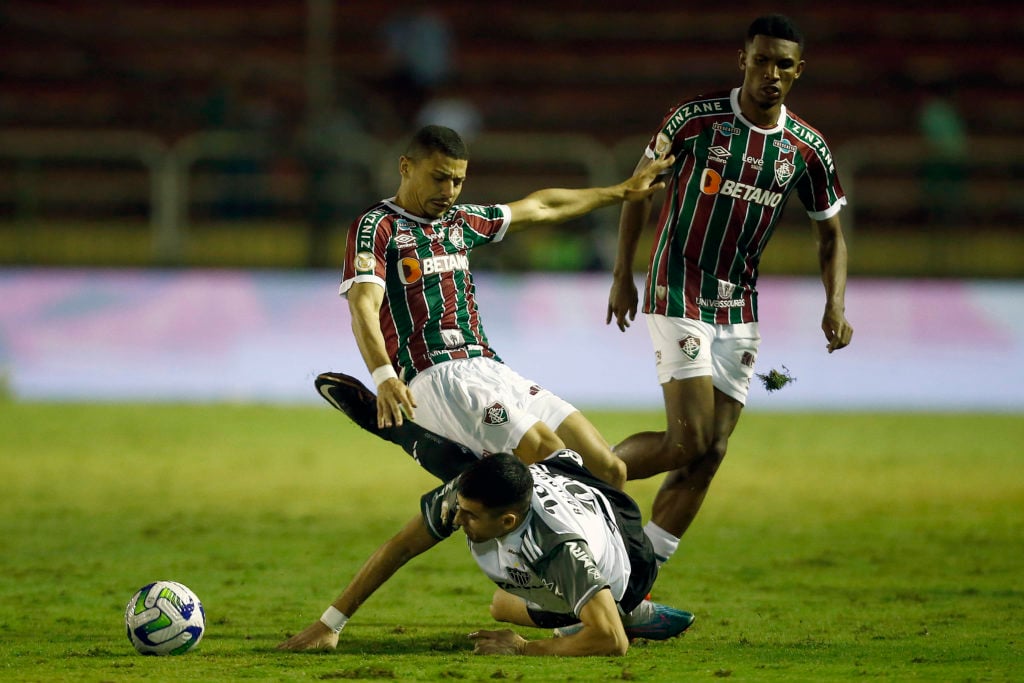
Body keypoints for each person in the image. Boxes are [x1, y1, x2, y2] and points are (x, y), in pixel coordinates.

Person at [605, 15, 854, 566]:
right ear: (743, 60)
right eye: (761, 60)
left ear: (798, 72)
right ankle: (579, 474)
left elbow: (831, 236)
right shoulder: (696, 119)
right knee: (687, 440)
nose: (771, 73)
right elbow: (638, 190)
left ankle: (636, 574)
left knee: (711, 450)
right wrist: (624, 274)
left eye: (783, 65)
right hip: (678, 286)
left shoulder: (806, 149)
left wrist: (834, 303)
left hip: (739, 304)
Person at [340, 124, 673, 489]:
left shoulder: (460, 222)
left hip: (489, 366)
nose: (448, 191)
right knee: (551, 458)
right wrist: (384, 377)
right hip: (435, 372)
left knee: (608, 469)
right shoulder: (378, 227)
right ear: (405, 167)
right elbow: (363, 308)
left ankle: (478, 494)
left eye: (458, 181)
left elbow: (542, 207)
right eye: (439, 178)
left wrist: (622, 191)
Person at [277, 450, 694, 656]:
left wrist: (524, 647)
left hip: (627, 559)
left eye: (471, 516)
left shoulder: (556, 548)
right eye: (460, 509)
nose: (457, 521)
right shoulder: (465, 494)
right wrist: (330, 623)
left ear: (508, 522)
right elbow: (401, 547)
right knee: (501, 603)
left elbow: (612, 643)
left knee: (514, 608)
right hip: (560, 480)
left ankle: (628, 607)